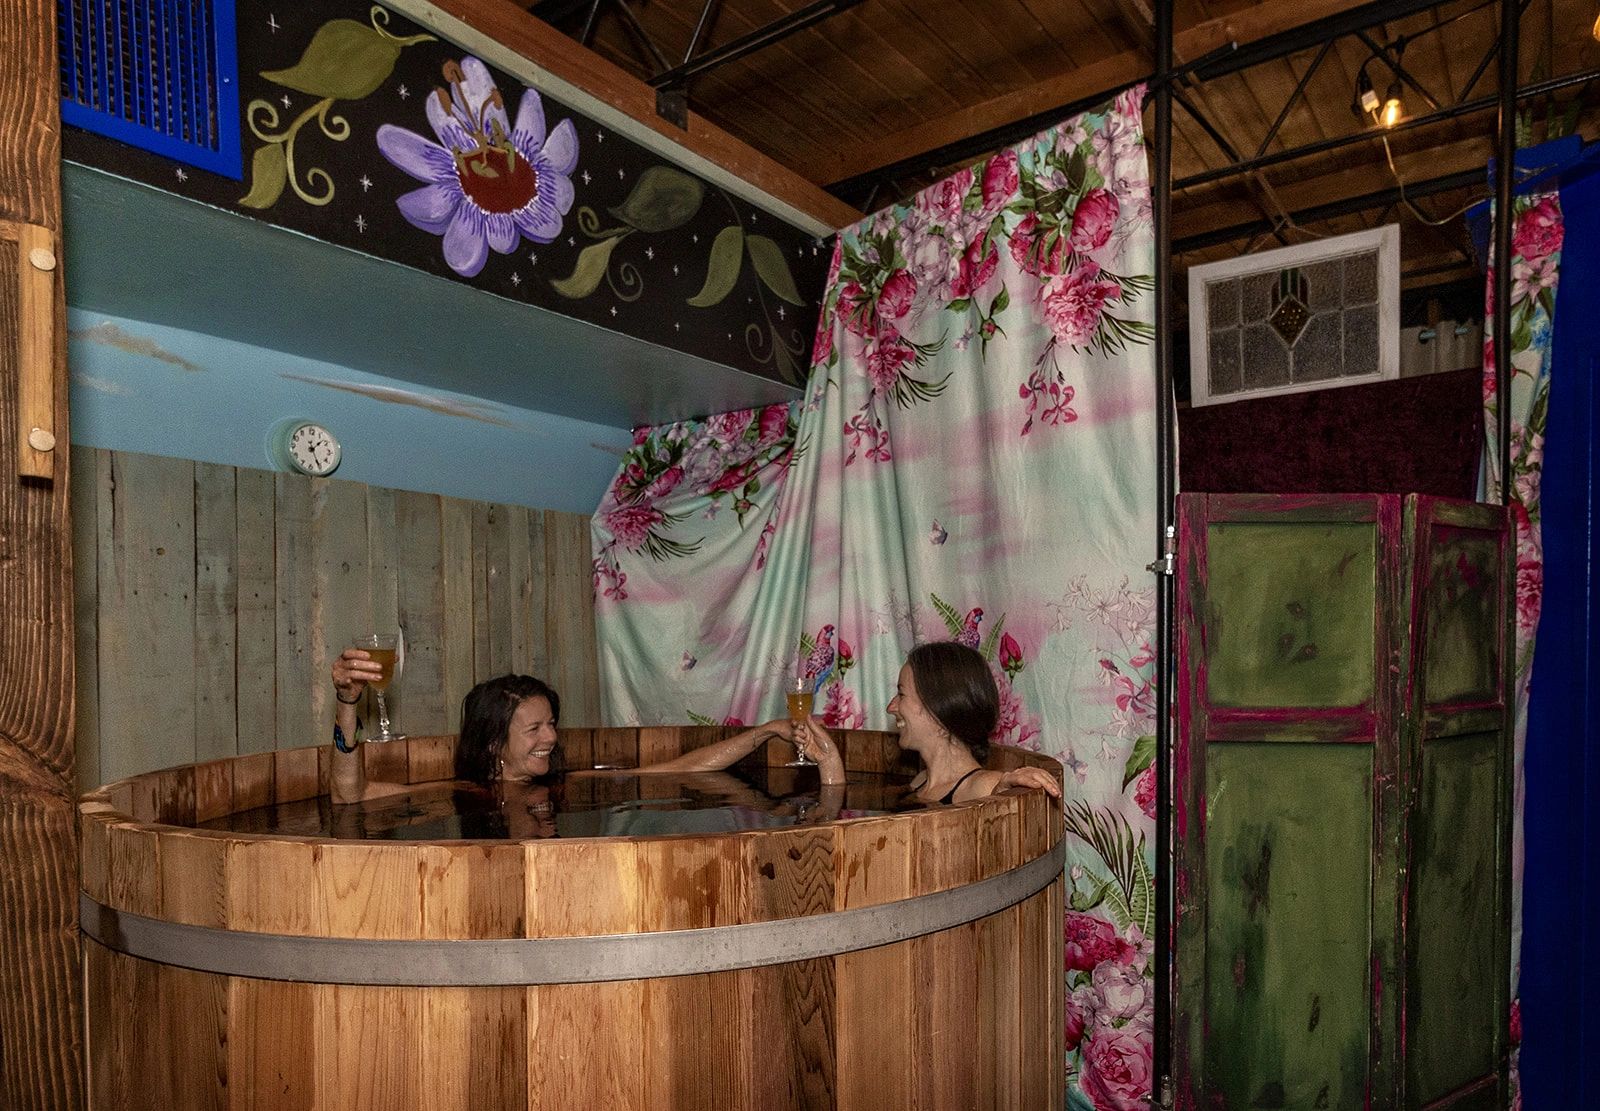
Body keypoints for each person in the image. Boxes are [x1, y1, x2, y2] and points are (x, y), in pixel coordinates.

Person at [328, 646, 796, 805]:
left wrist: (763, 732)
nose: (551, 737)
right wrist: (348, 702)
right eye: (534, 729)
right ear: (493, 743)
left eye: (551, 724)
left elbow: (681, 770)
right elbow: (348, 795)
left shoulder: (568, 785)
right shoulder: (460, 795)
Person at [793, 641, 1062, 804]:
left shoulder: (977, 786)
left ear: (938, 709)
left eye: (901, 694)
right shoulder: (920, 782)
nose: (891, 707)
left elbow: (998, 795)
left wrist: (1006, 786)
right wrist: (829, 762)